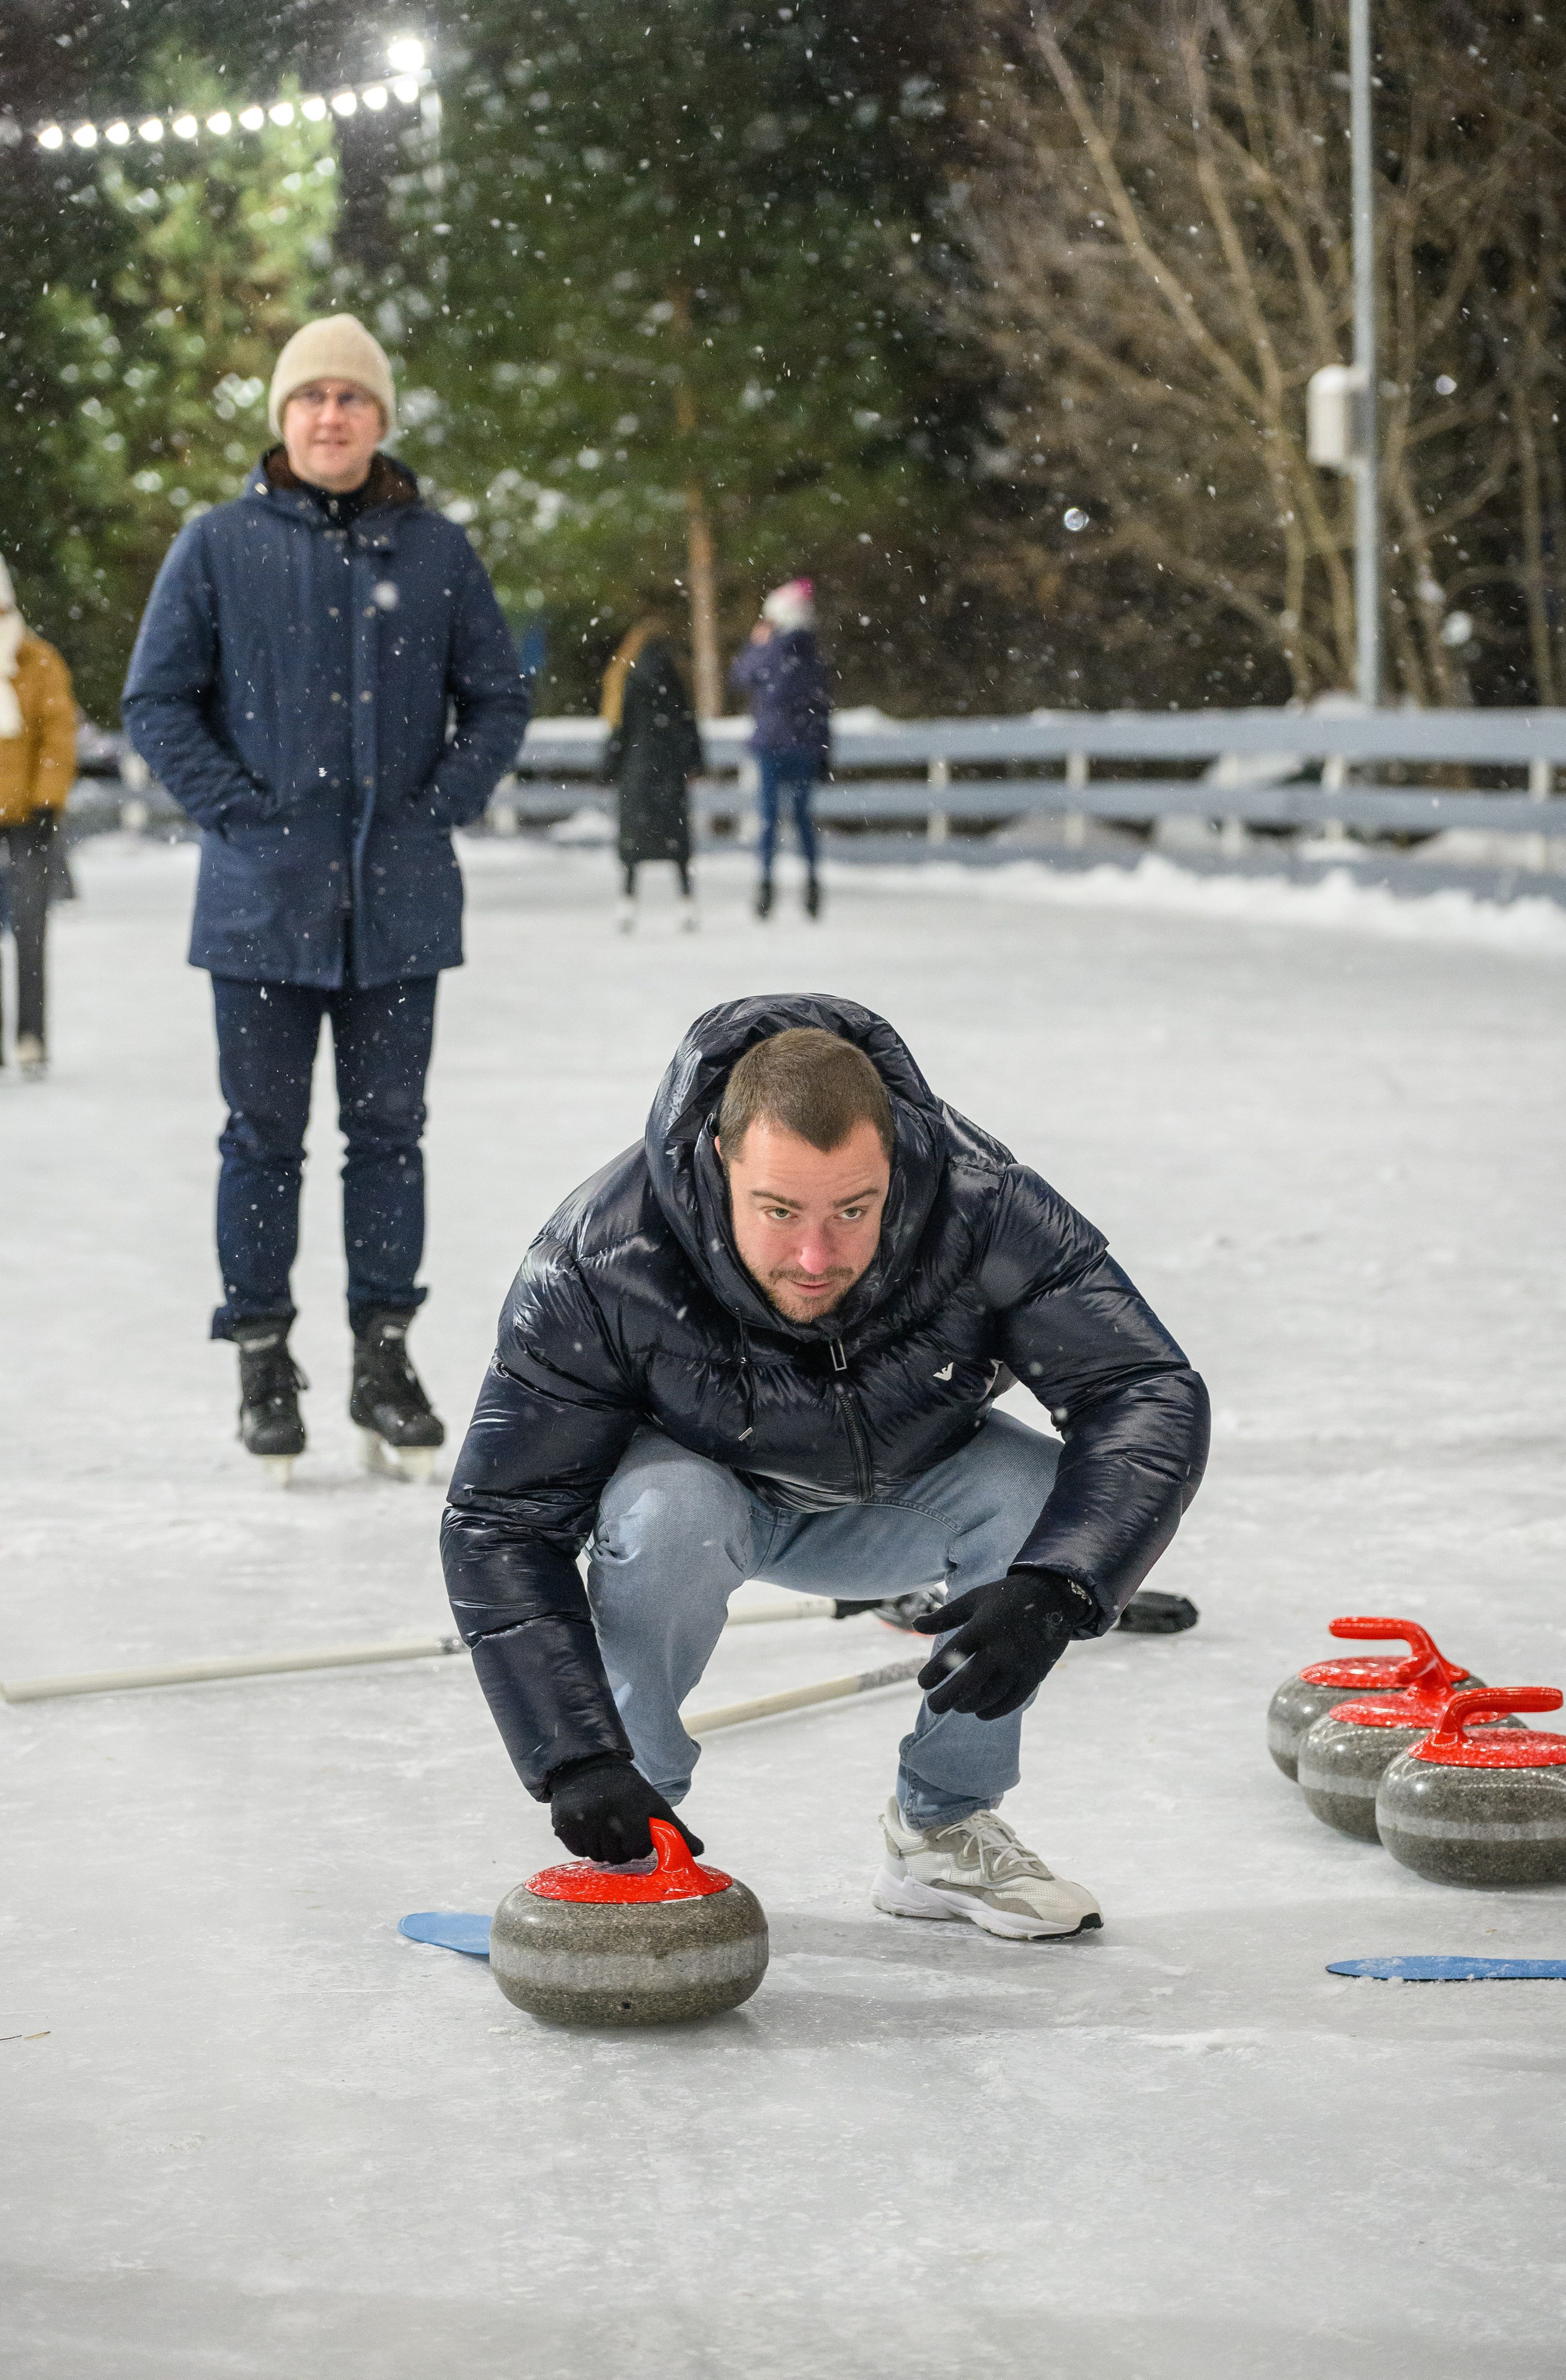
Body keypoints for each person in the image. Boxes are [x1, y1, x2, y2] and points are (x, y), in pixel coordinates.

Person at [441, 1000, 1209, 1939]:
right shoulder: (603, 1258)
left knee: (1044, 1504)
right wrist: (575, 1757)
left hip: (907, 1495)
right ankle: (636, 1841)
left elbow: (1143, 1387)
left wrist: (1062, 1585)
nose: (816, 1255)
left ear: (899, 1165)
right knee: (663, 1511)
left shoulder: (984, 1207)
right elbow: (501, 1518)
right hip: (709, 1497)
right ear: (721, 1164)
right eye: (779, 1210)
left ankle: (944, 1824)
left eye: (855, 1209)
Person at [122, 314, 529, 1483]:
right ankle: (262, 1357)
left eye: (352, 398)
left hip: (400, 909)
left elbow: (497, 699)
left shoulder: (437, 553)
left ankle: (384, 1355)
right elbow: (157, 702)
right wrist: (243, 814)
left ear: (380, 419)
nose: (331, 416)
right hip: (259, 908)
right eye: (312, 399)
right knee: (263, 1141)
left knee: (388, 1139)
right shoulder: (218, 546)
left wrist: (432, 806)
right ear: (283, 419)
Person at [0, 558, 77, 1080]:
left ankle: (32, 1035)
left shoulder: (38, 661)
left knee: (30, 929)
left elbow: (58, 734)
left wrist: (48, 801)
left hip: (30, 818)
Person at [728, 578, 831, 922]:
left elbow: (741, 675)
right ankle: (812, 885)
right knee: (803, 818)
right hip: (805, 747)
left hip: (773, 745)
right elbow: (823, 705)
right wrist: (824, 750)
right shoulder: (813, 655)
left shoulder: (772, 652)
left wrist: (756, 645)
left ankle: (766, 887)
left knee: (770, 819)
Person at [599, 617, 704, 933]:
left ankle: (627, 903)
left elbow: (620, 728)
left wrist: (609, 767)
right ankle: (686, 902)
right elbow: (688, 725)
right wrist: (694, 763)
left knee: (634, 844)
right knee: (677, 844)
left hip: (637, 770)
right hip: (670, 771)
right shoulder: (675, 679)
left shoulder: (629, 679)